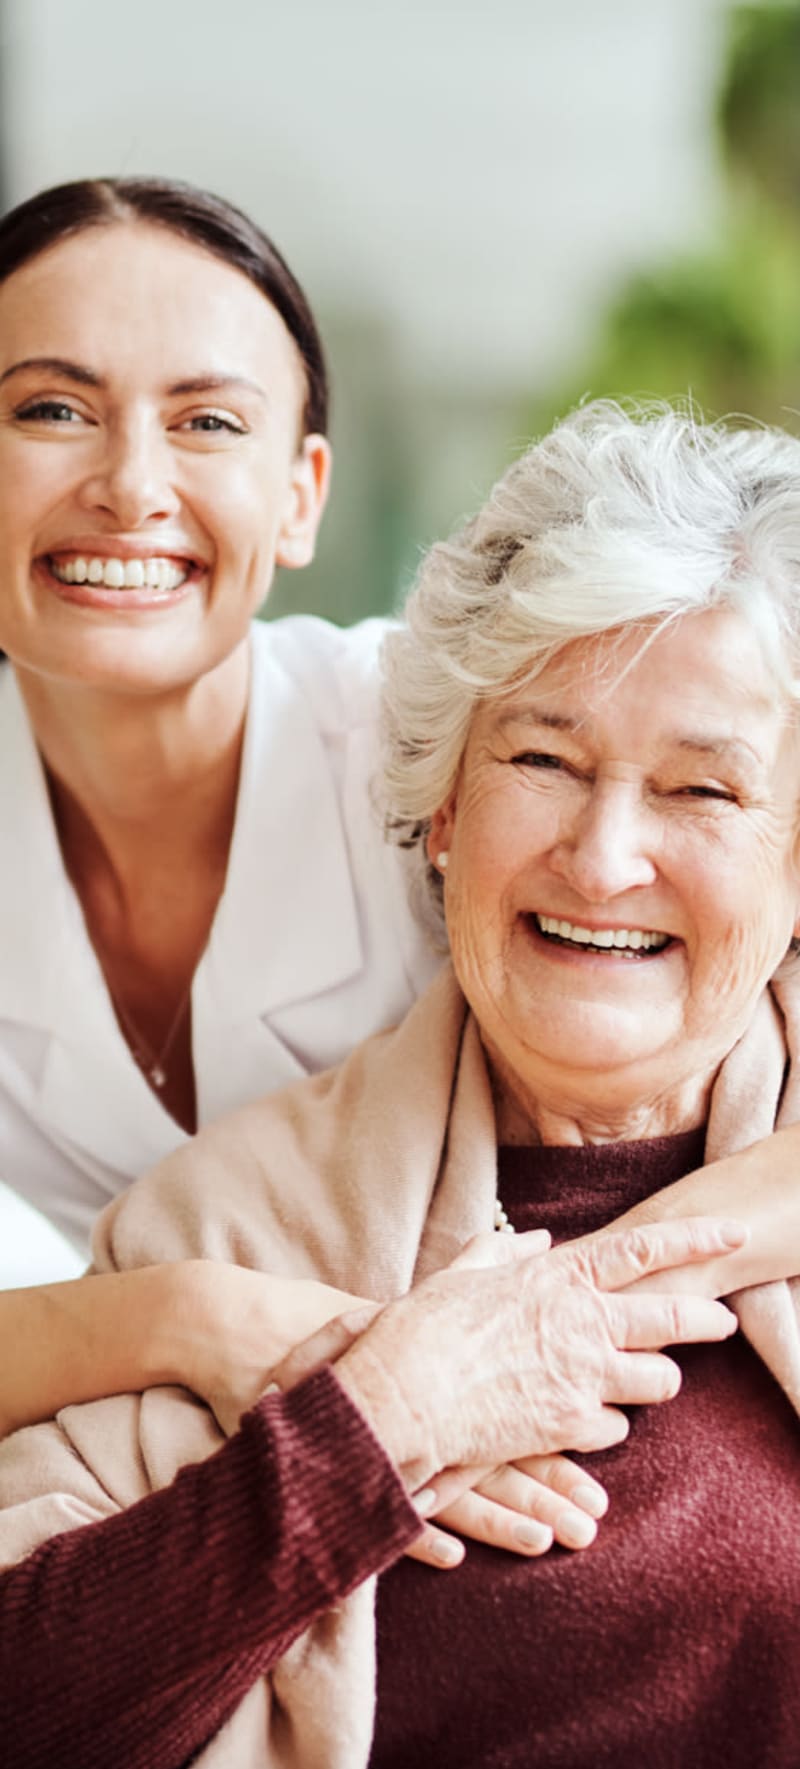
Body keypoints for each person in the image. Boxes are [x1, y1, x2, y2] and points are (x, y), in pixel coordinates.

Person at [2, 400, 800, 1769]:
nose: (605, 857)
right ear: (440, 811)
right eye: (541, 759)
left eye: (702, 789)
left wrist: (633, 1266)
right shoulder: (234, 1222)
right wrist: (372, 1425)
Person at [2, 172, 798, 1482]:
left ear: (304, 494)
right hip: (179, 1464)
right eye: (51, 407)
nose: (130, 483)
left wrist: (548, 1320)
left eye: (206, 420)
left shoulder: (483, 733)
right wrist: (184, 1315)